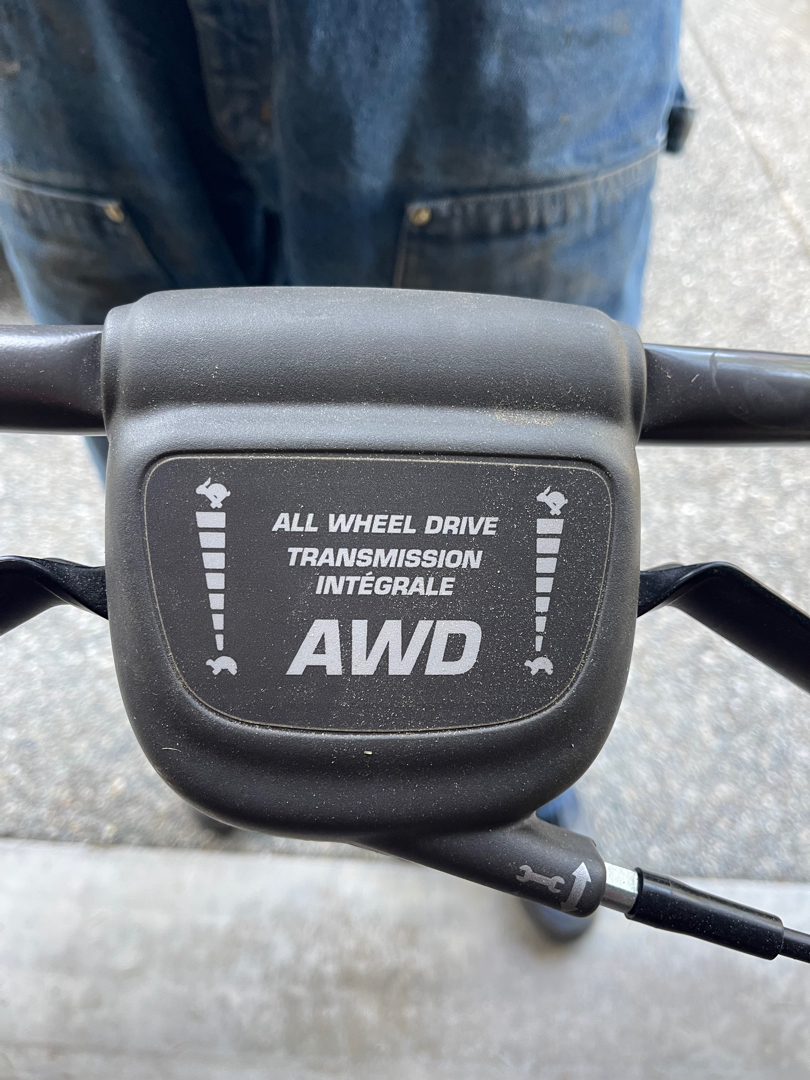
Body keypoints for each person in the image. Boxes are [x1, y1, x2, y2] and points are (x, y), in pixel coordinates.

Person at [0, 0, 688, 938]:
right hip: (77, 45)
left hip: (492, 43)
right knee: (165, 430)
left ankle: (518, 795)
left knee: (526, 441)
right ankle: (224, 722)